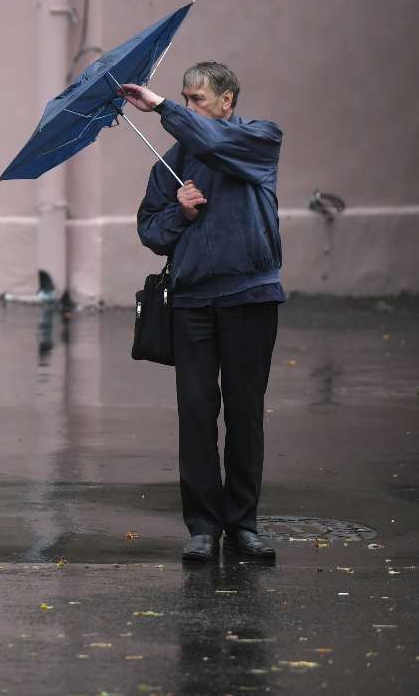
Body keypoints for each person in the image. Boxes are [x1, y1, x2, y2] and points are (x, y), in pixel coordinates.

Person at [120, 62, 283, 564]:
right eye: (184, 99)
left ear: (227, 101)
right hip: (191, 301)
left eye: (198, 100)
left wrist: (163, 108)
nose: (189, 107)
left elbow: (215, 146)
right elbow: (150, 232)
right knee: (195, 413)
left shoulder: (258, 139)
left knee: (244, 411)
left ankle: (244, 525)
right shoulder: (170, 162)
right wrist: (180, 212)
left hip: (249, 297)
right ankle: (202, 528)